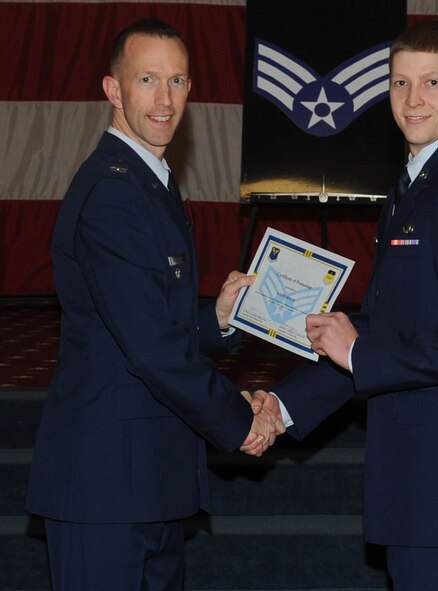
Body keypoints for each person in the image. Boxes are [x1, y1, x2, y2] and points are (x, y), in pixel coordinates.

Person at [254, 19, 438, 590]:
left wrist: (359, 353)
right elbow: (388, 327)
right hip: (420, 481)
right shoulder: (416, 182)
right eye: (401, 83)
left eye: (432, 83)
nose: (413, 99)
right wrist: (282, 407)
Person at [25, 19, 283, 590]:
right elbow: (152, 351)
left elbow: (139, 321)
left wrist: (213, 318)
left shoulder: (148, 182)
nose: (165, 100)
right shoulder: (114, 193)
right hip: (107, 484)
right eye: (147, 79)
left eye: (178, 80)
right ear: (113, 90)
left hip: (146, 478)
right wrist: (240, 420)